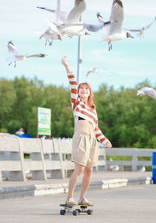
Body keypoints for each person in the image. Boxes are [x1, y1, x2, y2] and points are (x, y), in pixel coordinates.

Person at [62, 56, 112, 206]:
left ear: (90, 93)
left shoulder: (93, 109)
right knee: (79, 169)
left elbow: (96, 128)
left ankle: (82, 198)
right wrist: (67, 66)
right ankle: (69, 197)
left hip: (92, 139)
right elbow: (72, 81)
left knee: (89, 170)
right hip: (81, 137)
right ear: (78, 93)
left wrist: (104, 140)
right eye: (81, 89)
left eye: (86, 89)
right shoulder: (76, 103)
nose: (83, 90)